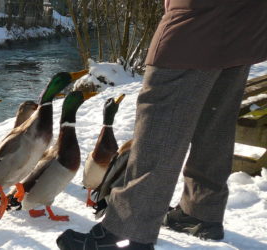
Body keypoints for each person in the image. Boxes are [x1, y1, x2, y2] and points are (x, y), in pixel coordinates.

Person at [56, 0, 267, 249]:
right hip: (246, 21)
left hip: (196, 19)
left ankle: (126, 232)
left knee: (160, 123)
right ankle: (201, 212)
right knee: (215, 118)